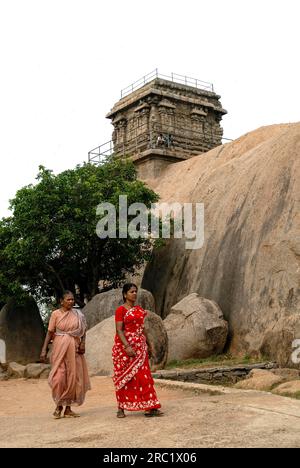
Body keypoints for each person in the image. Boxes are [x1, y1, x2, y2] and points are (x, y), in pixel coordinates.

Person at [112, 283, 163, 418]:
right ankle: (121, 408)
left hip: (140, 347)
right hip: (125, 348)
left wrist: (149, 344)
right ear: (124, 294)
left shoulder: (139, 310)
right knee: (124, 378)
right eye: (131, 292)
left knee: (144, 376)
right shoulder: (120, 310)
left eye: (135, 291)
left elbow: (142, 328)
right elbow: (119, 330)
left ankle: (149, 407)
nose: (134, 294)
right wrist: (127, 346)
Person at [40, 290, 91, 419]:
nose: (71, 302)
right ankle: (58, 406)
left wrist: (83, 343)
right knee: (59, 378)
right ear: (61, 301)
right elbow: (50, 332)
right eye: (68, 300)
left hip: (74, 348)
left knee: (73, 377)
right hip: (59, 348)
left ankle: (68, 409)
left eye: (72, 299)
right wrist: (44, 349)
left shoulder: (78, 314)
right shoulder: (55, 314)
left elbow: (83, 330)